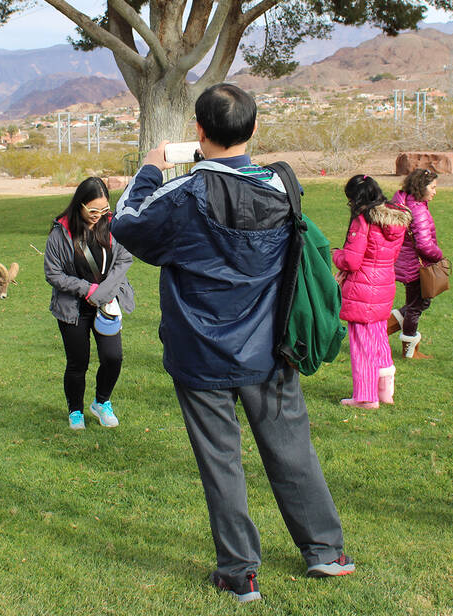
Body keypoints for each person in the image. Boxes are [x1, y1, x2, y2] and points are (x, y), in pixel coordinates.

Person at [112, 83, 353, 603]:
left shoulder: (182, 196)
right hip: (270, 349)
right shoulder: (281, 189)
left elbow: (128, 224)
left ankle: (239, 571)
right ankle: (325, 551)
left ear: (199, 132)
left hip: (201, 354)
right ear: (253, 129)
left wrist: (151, 168)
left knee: (220, 459)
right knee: (292, 450)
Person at [44, 176, 135, 430]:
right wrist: (87, 290)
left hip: (107, 304)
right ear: (79, 205)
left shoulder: (113, 226)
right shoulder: (60, 233)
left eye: (104, 209)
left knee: (113, 357)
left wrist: (104, 292)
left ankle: (101, 402)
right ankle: (75, 410)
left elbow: (124, 260)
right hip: (72, 308)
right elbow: (53, 274)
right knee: (78, 362)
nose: (99, 215)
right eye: (93, 210)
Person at [333, 174, 411, 408]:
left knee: (362, 342)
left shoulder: (363, 219)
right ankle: (384, 392)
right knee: (379, 338)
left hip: (363, 288)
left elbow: (352, 261)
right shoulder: (395, 220)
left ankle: (366, 396)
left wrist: (337, 254)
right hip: (384, 285)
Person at [390, 168, 444, 359]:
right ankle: (409, 350)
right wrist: (440, 257)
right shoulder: (418, 208)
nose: (435, 192)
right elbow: (423, 244)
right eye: (433, 187)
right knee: (416, 305)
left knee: (419, 302)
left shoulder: (405, 201)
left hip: (406, 263)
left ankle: (387, 326)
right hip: (416, 265)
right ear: (422, 187)